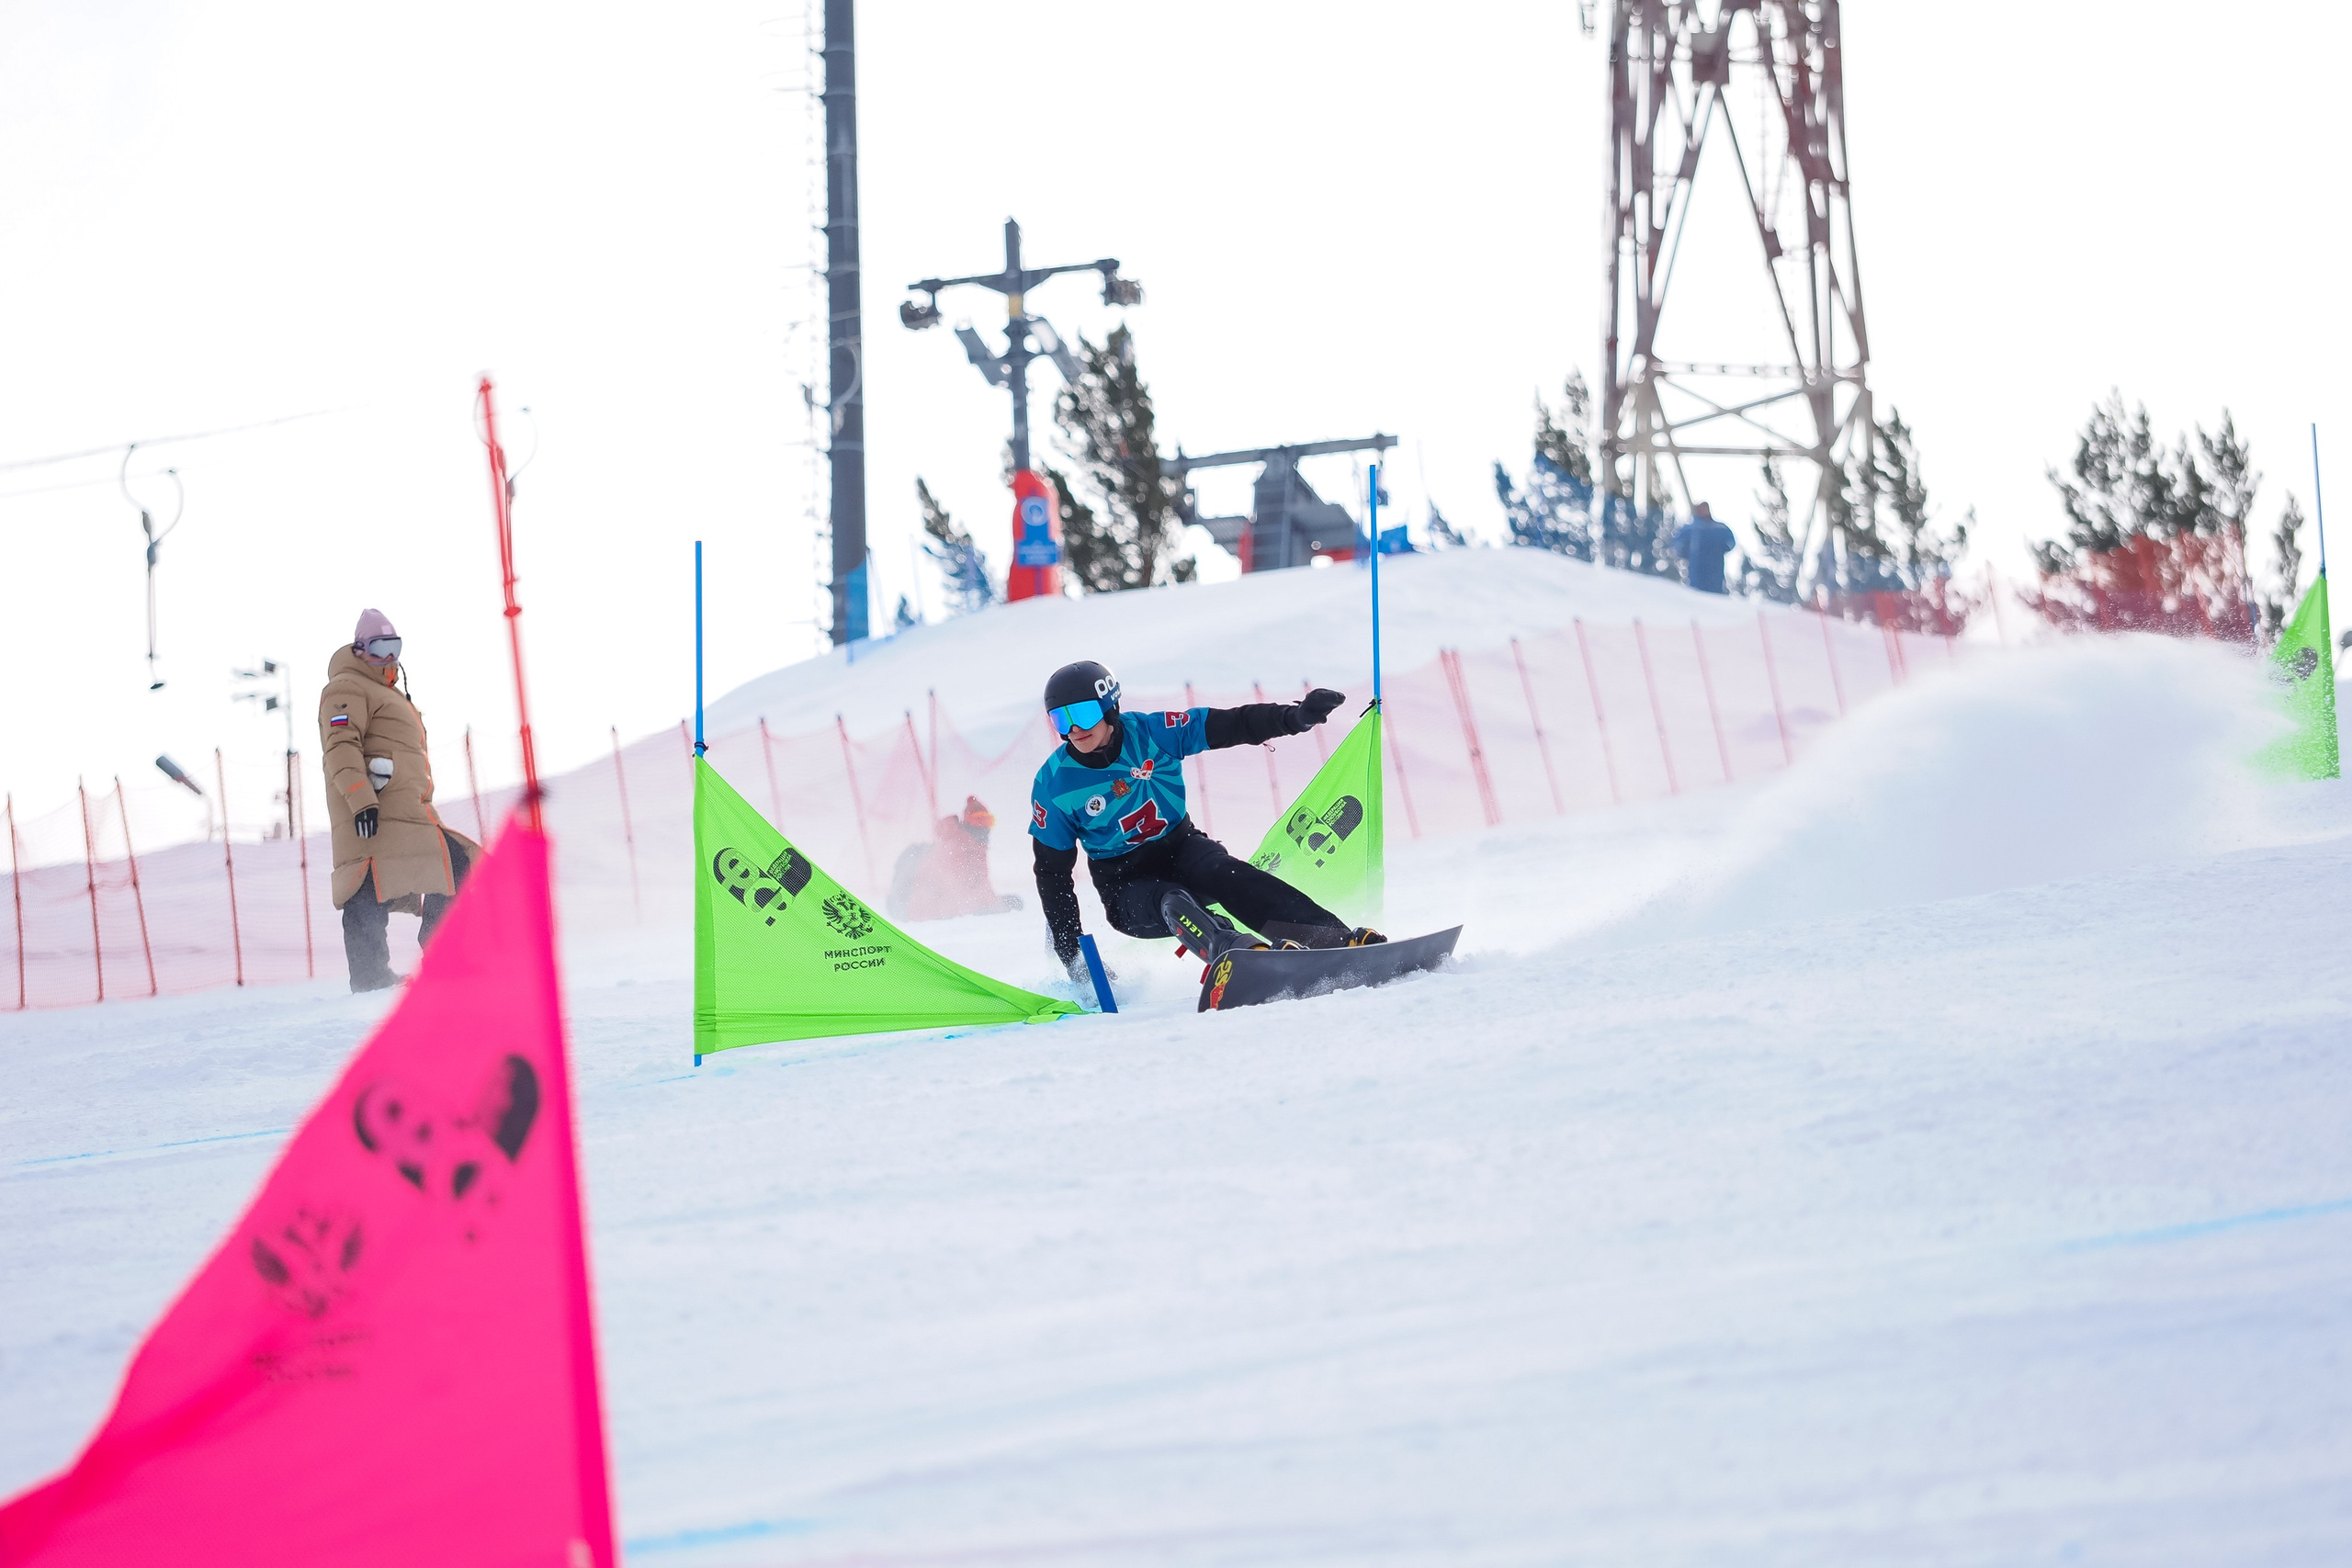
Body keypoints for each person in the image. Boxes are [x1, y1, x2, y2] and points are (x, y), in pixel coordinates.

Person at [1028, 660, 1383, 980]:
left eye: (1084, 714)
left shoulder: (1153, 734)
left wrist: (1293, 719)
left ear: (1110, 707)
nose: (1074, 729)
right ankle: (1240, 955)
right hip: (1124, 886)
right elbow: (1052, 873)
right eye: (1062, 718)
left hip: (1182, 848)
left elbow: (1231, 724)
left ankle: (1334, 940)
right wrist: (1072, 954)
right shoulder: (1053, 785)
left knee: (1228, 874)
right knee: (1172, 899)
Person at [319, 609, 480, 992]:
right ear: (360, 650)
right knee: (366, 884)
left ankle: (436, 959)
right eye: (380, 648)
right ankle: (372, 976)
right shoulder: (346, 688)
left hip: (405, 811)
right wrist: (361, 799)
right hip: (373, 811)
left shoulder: (385, 691)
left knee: (453, 865)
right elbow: (340, 746)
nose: (389, 657)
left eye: (395, 648)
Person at [886, 795, 1023, 921]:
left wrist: (999, 903)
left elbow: (980, 887)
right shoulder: (957, 845)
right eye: (978, 820)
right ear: (968, 823)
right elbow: (957, 892)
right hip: (925, 913)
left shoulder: (975, 848)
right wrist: (988, 908)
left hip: (942, 910)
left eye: (988, 821)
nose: (984, 827)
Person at [1671, 502, 1738, 594]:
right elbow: (1678, 545)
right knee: (1697, 593)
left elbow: (1731, 542)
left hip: (1715, 567)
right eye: (1701, 509)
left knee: (1714, 593)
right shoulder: (1691, 529)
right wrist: (1688, 553)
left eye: (1706, 508)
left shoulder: (1719, 528)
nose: (1704, 511)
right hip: (1696, 568)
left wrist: (1721, 549)